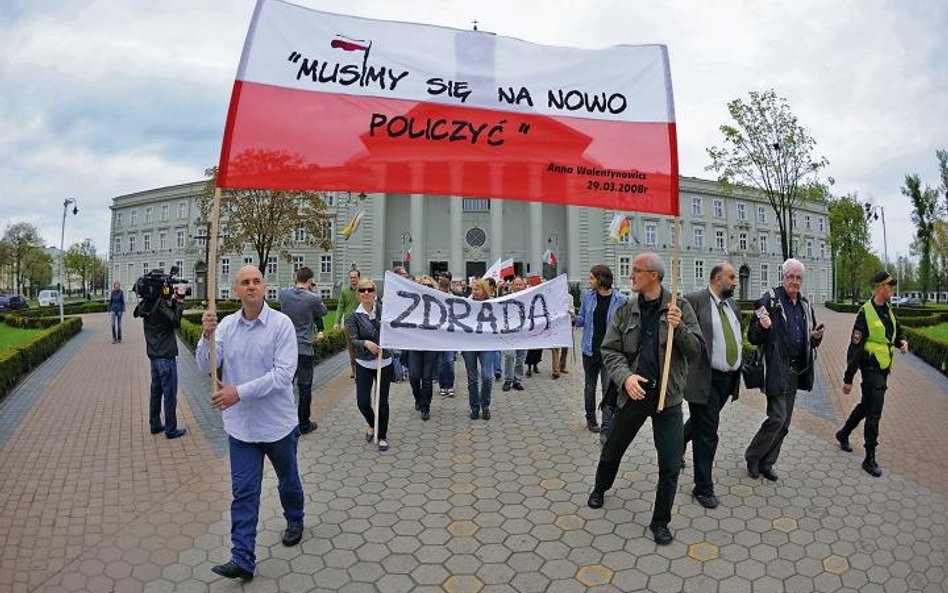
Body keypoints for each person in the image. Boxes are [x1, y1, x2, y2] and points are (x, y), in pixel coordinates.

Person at [587, 253, 703, 545]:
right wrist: (625, 377)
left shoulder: (680, 307)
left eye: (636, 270)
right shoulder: (626, 308)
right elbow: (609, 349)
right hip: (634, 393)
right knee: (613, 446)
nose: (630, 275)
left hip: (668, 396)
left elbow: (695, 351)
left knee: (671, 461)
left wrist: (681, 329)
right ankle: (601, 486)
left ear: (653, 275)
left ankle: (660, 521)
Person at [197, 265, 304, 581]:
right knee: (244, 492)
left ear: (265, 287)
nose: (252, 286)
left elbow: (283, 375)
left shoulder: (281, 325)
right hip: (241, 429)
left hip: (277, 425)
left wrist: (237, 393)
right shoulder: (226, 327)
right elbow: (207, 364)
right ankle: (242, 557)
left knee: (288, 480)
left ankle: (295, 518)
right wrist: (206, 337)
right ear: (236, 290)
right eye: (245, 282)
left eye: (257, 281)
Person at [745, 258, 824, 481]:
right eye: (791, 276)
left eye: (798, 278)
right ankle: (753, 456)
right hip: (776, 369)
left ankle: (767, 462)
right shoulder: (769, 300)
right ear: (783, 277)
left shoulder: (805, 305)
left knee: (785, 423)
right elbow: (752, 336)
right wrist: (762, 325)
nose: (795, 281)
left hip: (795, 372)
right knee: (777, 417)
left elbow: (809, 339)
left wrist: (815, 337)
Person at [835, 271, 908, 477]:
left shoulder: (888, 311)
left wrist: (902, 341)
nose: (892, 289)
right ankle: (869, 458)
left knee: (867, 406)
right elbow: (855, 347)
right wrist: (848, 378)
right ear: (879, 288)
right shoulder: (865, 312)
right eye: (889, 286)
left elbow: (896, 332)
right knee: (874, 411)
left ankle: (843, 433)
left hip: (884, 368)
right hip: (870, 369)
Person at [682, 262, 743, 509]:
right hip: (703, 379)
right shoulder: (694, 300)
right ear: (718, 279)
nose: (735, 282)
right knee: (708, 434)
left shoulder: (733, 306)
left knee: (699, 423)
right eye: (731, 277)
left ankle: (675, 447)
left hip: (727, 381)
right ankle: (703, 487)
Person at [574, 265, 627, 435]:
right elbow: (582, 319)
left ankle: (607, 425)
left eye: (591, 278)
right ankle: (590, 418)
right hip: (589, 349)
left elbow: (624, 326)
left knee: (608, 388)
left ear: (601, 279)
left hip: (610, 352)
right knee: (590, 387)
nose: (589, 281)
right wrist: (574, 317)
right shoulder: (588, 296)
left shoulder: (620, 300)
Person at [134, 273, 186, 439]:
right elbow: (175, 321)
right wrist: (179, 302)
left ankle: (155, 423)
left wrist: (169, 300)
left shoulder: (147, 305)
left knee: (156, 391)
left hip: (154, 355)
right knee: (169, 393)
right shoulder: (160, 305)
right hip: (166, 356)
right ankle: (171, 428)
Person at [278, 266, 328, 434]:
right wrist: (312, 291)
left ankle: (283, 420)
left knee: (285, 385)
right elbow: (323, 312)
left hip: (285, 348)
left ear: (296, 278)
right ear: (310, 281)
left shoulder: (284, 294)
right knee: (305, 387)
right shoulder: (312, 298)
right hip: (304, 348)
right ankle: (304, 424)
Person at [349, 277, 394, 450]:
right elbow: (353, 339)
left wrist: (387, 343)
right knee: (363, 401)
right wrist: (366, 343)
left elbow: (392, 330)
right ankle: (372, 423)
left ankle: (382, 435)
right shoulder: (355, 316)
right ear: (358, 294)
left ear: (374, 292)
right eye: (362, 290)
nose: (366, 293)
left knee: (382, 401)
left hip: (384, 362)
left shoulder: (384, 312)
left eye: (369, 290)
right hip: (364, 363)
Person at [462, 279, 494, 419]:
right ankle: (474, 407)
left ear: (484, 291)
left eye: (477, 289)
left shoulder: (494, 304)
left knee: (487, 376)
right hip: (469, 345)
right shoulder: (465, 304)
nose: (474, 292)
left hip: (486, 344)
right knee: (472, 378)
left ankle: (485, 405)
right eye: (473, 289)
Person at [409, 276, 440, 420]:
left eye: (430, 286)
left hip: (431, 344)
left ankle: (425, 406)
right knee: (414, 376)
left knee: (427, 377)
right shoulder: (413, 302)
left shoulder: (438, 303)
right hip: (414, 343)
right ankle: (418, 397)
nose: (427, 287)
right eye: (424, 285)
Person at [502, 276, 529, 393]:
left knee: (520, 357)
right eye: (516, 284)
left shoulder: (528, 297)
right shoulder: (505, 298)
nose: (518, 287)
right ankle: (508, 379)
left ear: (523, 286)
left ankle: (517, 380)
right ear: (512, 286)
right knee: (509, 355)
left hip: (523, 333)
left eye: (520, 284)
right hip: (510, 333)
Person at [336, 268, 361, 379]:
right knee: (351, 347)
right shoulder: (344, 291)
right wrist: (337, 321)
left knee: (360, 346)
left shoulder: (363, 290)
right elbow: (340, 307)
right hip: (348, 323)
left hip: (361, 322)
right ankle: (354, 371)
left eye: (355, 277)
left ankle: (362, 369)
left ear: (359, 278)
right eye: (351, 277)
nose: (353, 280)